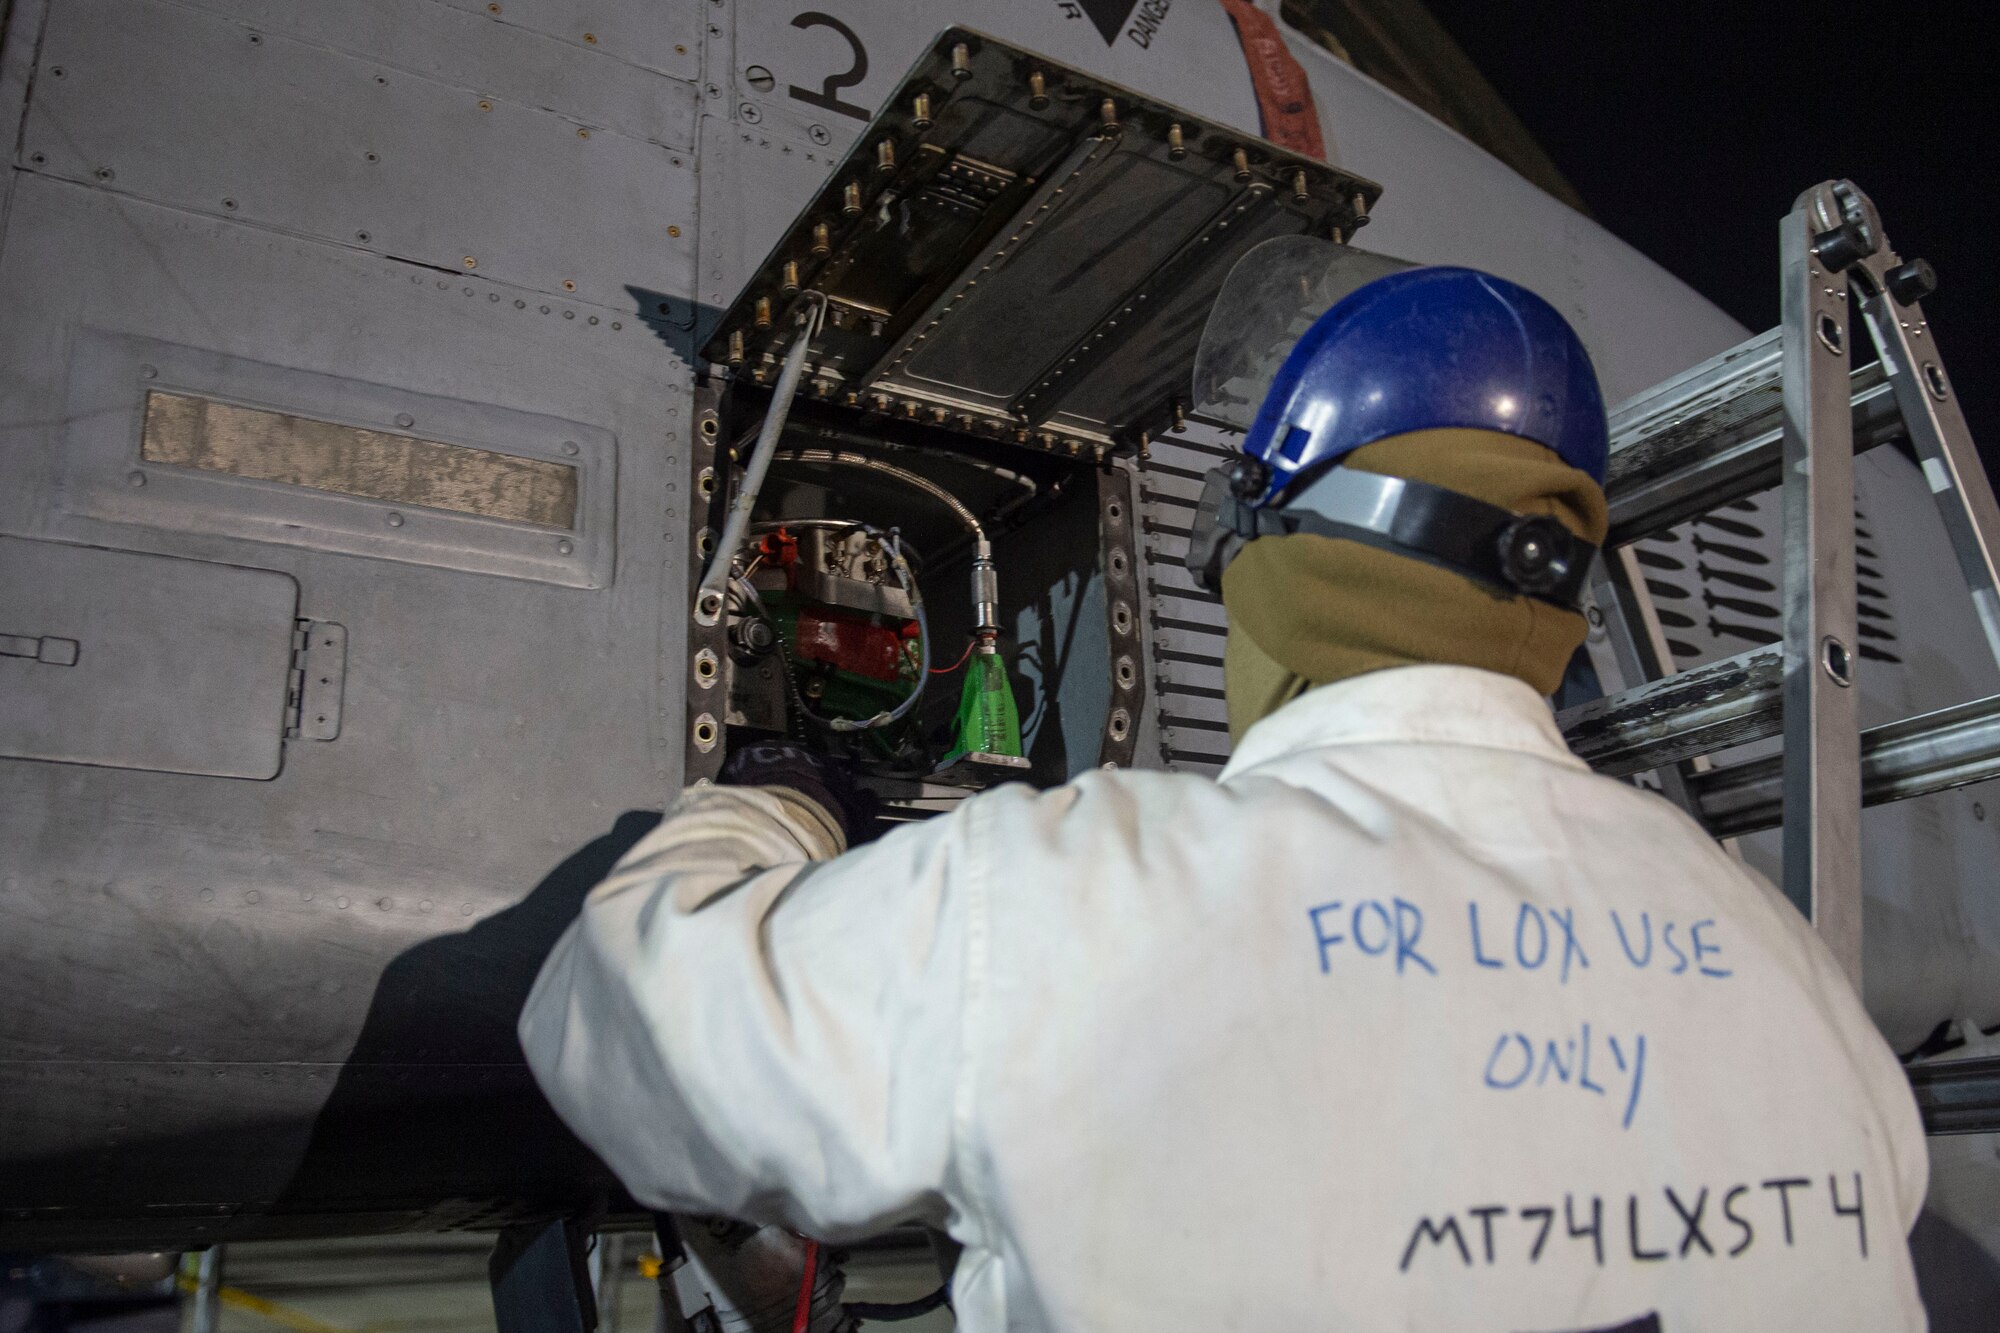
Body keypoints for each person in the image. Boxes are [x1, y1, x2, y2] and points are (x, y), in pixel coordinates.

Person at [519, 266, 1928, 1331]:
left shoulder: (1070, 899)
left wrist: (778, 802)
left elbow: (607, 1017)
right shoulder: (1784, 961)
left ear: (1285, 565)